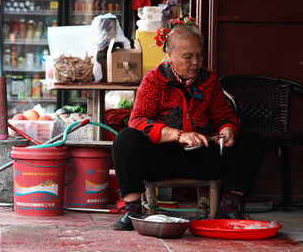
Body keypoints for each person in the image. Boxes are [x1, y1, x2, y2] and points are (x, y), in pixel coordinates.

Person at [111, 26, 265, 231]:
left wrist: (228, 129)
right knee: (126, 138)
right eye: (187, 57)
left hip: (200, 157)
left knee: (252, 140)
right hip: (161, 159)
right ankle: (133, 210)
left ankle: (230, 206)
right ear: (169, 54)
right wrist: (178, 135)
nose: (195, 63)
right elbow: (138, 120)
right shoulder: (154, 80)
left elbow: (225, 117)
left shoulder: (209, 81)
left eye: (199, 56)